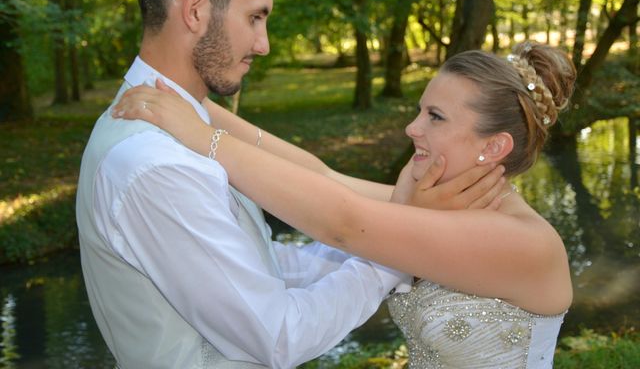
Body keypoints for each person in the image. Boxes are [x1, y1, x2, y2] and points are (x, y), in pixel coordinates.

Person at [76, 0, 505, 368]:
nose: (262, 45)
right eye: (255, 17)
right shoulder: (157, 164)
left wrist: (391, 232)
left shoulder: (177, 124)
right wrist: (396, 256)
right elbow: (279, 337)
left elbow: (259, 267)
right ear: (196, 10)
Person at [113, 41, 576, 368]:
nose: (412, 128)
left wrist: (202, 139)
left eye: (434, 117)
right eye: (420, 110)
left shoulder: (524, 243)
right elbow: (324, 178)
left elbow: (343, 223)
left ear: (493, 148)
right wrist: (199, 108)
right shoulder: (443, 204)